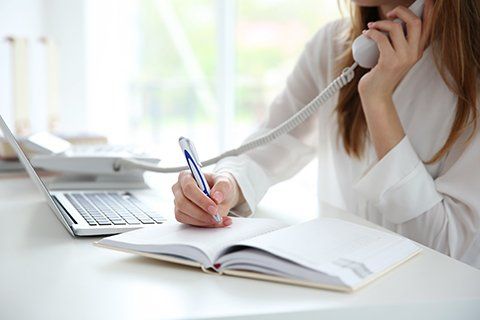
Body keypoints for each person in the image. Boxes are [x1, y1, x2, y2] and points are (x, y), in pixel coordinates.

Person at [171, 0, 480, 268]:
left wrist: (377, 99)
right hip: (335, 290)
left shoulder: (470, 75)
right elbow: (270, 146)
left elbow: (449, 250)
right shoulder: (334, 45)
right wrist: (226, 187)